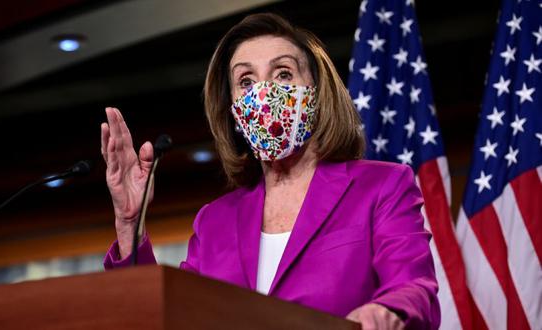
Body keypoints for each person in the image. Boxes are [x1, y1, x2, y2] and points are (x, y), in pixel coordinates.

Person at [100, 13, 439, 330]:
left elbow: (414, 287)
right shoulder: (214, 221)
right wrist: (130, 224)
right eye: (246, 81)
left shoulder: (382, 185)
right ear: (232, 109)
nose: (265, 94)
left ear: (316, 93)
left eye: (283, 74)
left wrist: (386, 311)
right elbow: (168, 318)